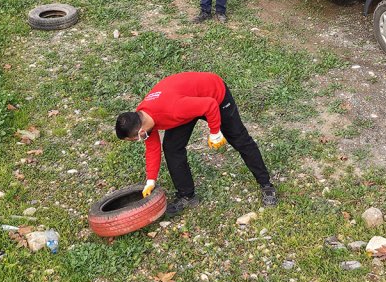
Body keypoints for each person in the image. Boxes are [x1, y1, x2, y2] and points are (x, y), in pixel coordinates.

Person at [115, 72, 277, 216]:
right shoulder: (141, 117)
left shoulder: (172, 109)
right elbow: (152, 148)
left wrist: (215, 132)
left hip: (214, 94)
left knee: (240, 139)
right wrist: (150, 180)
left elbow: (209, 105)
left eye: (134, 139)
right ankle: (187, 196)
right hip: (187, 100)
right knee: (172, 148)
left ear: (140, 131)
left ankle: (266, 185)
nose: (137, 141)